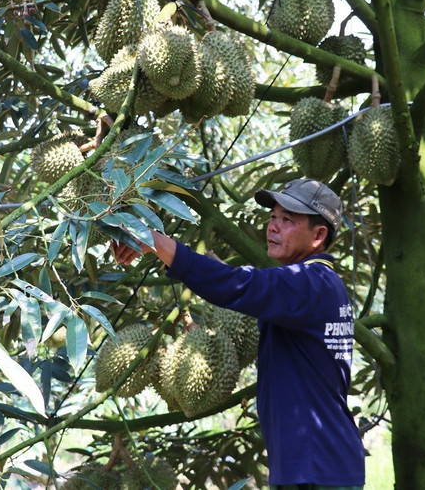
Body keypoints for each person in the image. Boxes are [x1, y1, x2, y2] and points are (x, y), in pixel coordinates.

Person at [113, 178, 366, 489]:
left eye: (287, 220)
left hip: (318, 468)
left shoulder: (309, 284)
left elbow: (239, 286)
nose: (273, 227)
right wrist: (166, 248)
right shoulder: (314, 284)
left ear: (318, 235)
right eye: (273, 217)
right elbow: (241, 283)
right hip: (315, 465)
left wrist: (156, 241)